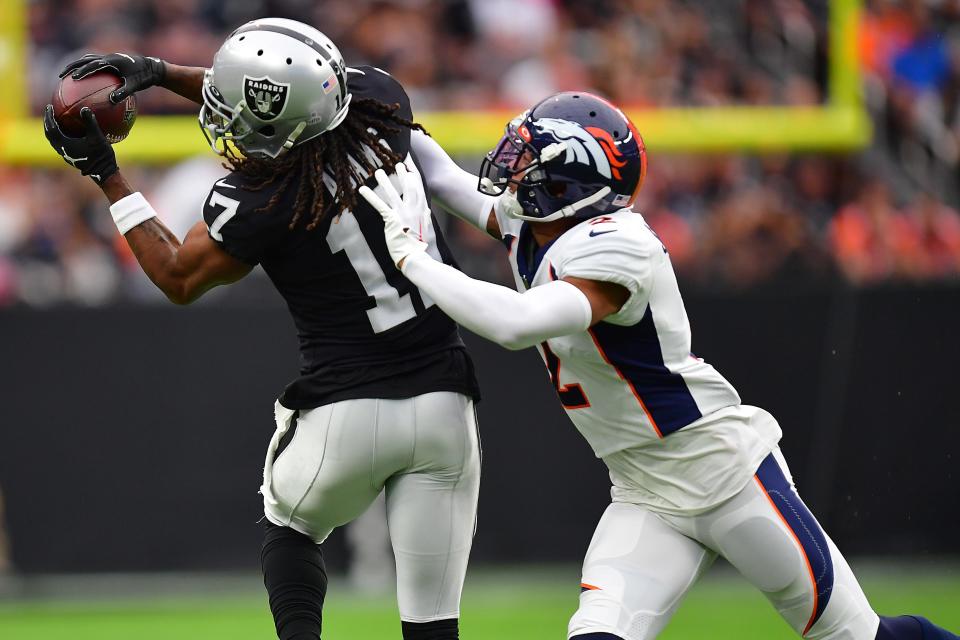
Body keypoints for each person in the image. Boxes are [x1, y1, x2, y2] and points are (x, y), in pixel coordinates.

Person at [360, 91, 960, 640]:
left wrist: (410, 255)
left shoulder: (619, 245)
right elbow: (439, 173)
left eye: (530, 158)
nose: (513, 169)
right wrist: (372, 105)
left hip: (722, 473)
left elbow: (515, 324)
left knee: (859, 637)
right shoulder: (536, 221)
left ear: (571, 181)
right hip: (642, 488)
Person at [44, 18, 484, 640]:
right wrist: (163, 73)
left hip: (347, 408)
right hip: (446, 398)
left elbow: (177, 276)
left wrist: (106, 174)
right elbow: (285, 102)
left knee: (291, 526)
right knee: (432, 622)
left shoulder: (262, 199)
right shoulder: (381, 104)